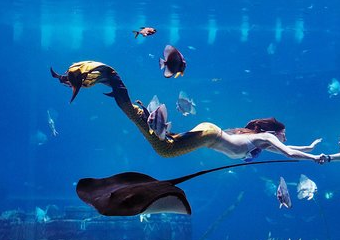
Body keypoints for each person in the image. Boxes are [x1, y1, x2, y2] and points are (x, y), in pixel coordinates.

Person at [50, 61, 324, 163]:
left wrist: (310, 148)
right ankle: (111, 78)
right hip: (210, 134)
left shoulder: (265, 142)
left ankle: (128, 99)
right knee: (166, 149)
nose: (284, 138)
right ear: (274, 131)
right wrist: (314, 158)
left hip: (210, 132)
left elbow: (287, 151)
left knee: (165, 144)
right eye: (283, 134)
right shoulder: (268, 138)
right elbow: (288, 152)